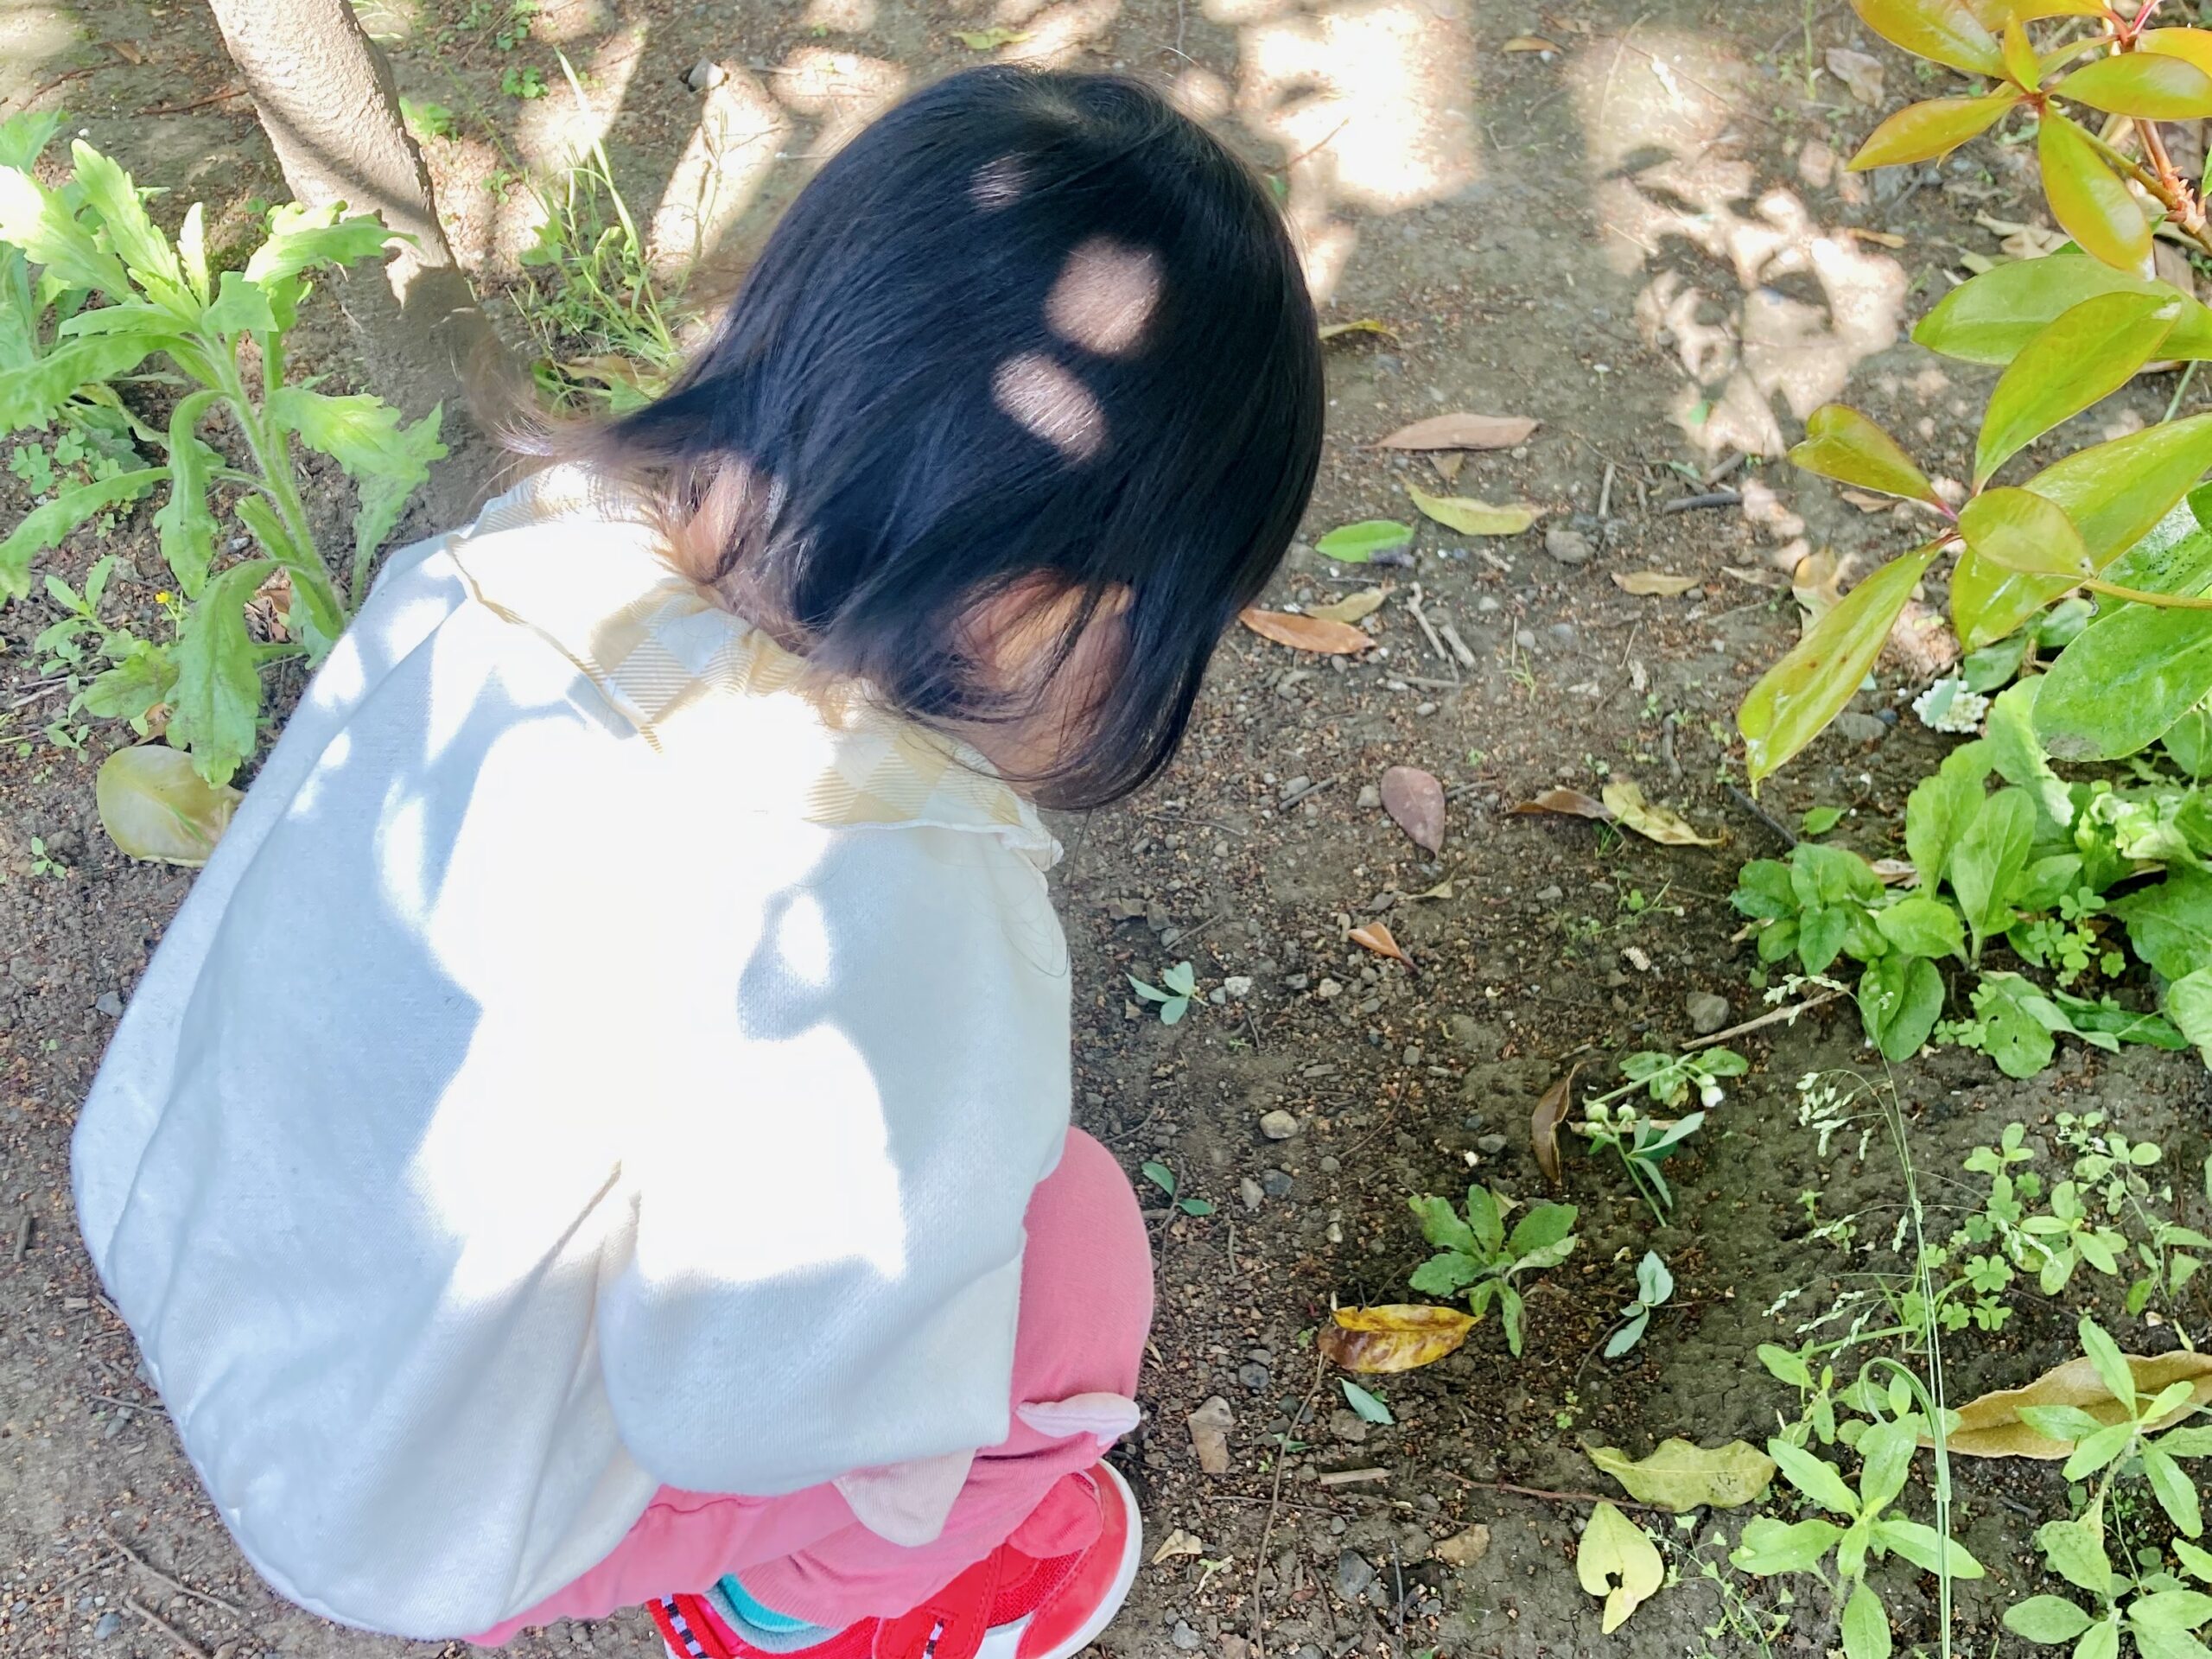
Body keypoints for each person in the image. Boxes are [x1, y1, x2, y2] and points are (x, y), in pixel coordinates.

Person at [71, 65, 1323, 1659]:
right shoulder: (885, 888)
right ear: (1068, 610)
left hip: (198, 1256)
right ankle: (783, 1611)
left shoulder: (508, 566)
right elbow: (749, 1404)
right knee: (1077, 1266)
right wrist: (917, 1388)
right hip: (418, 1507)